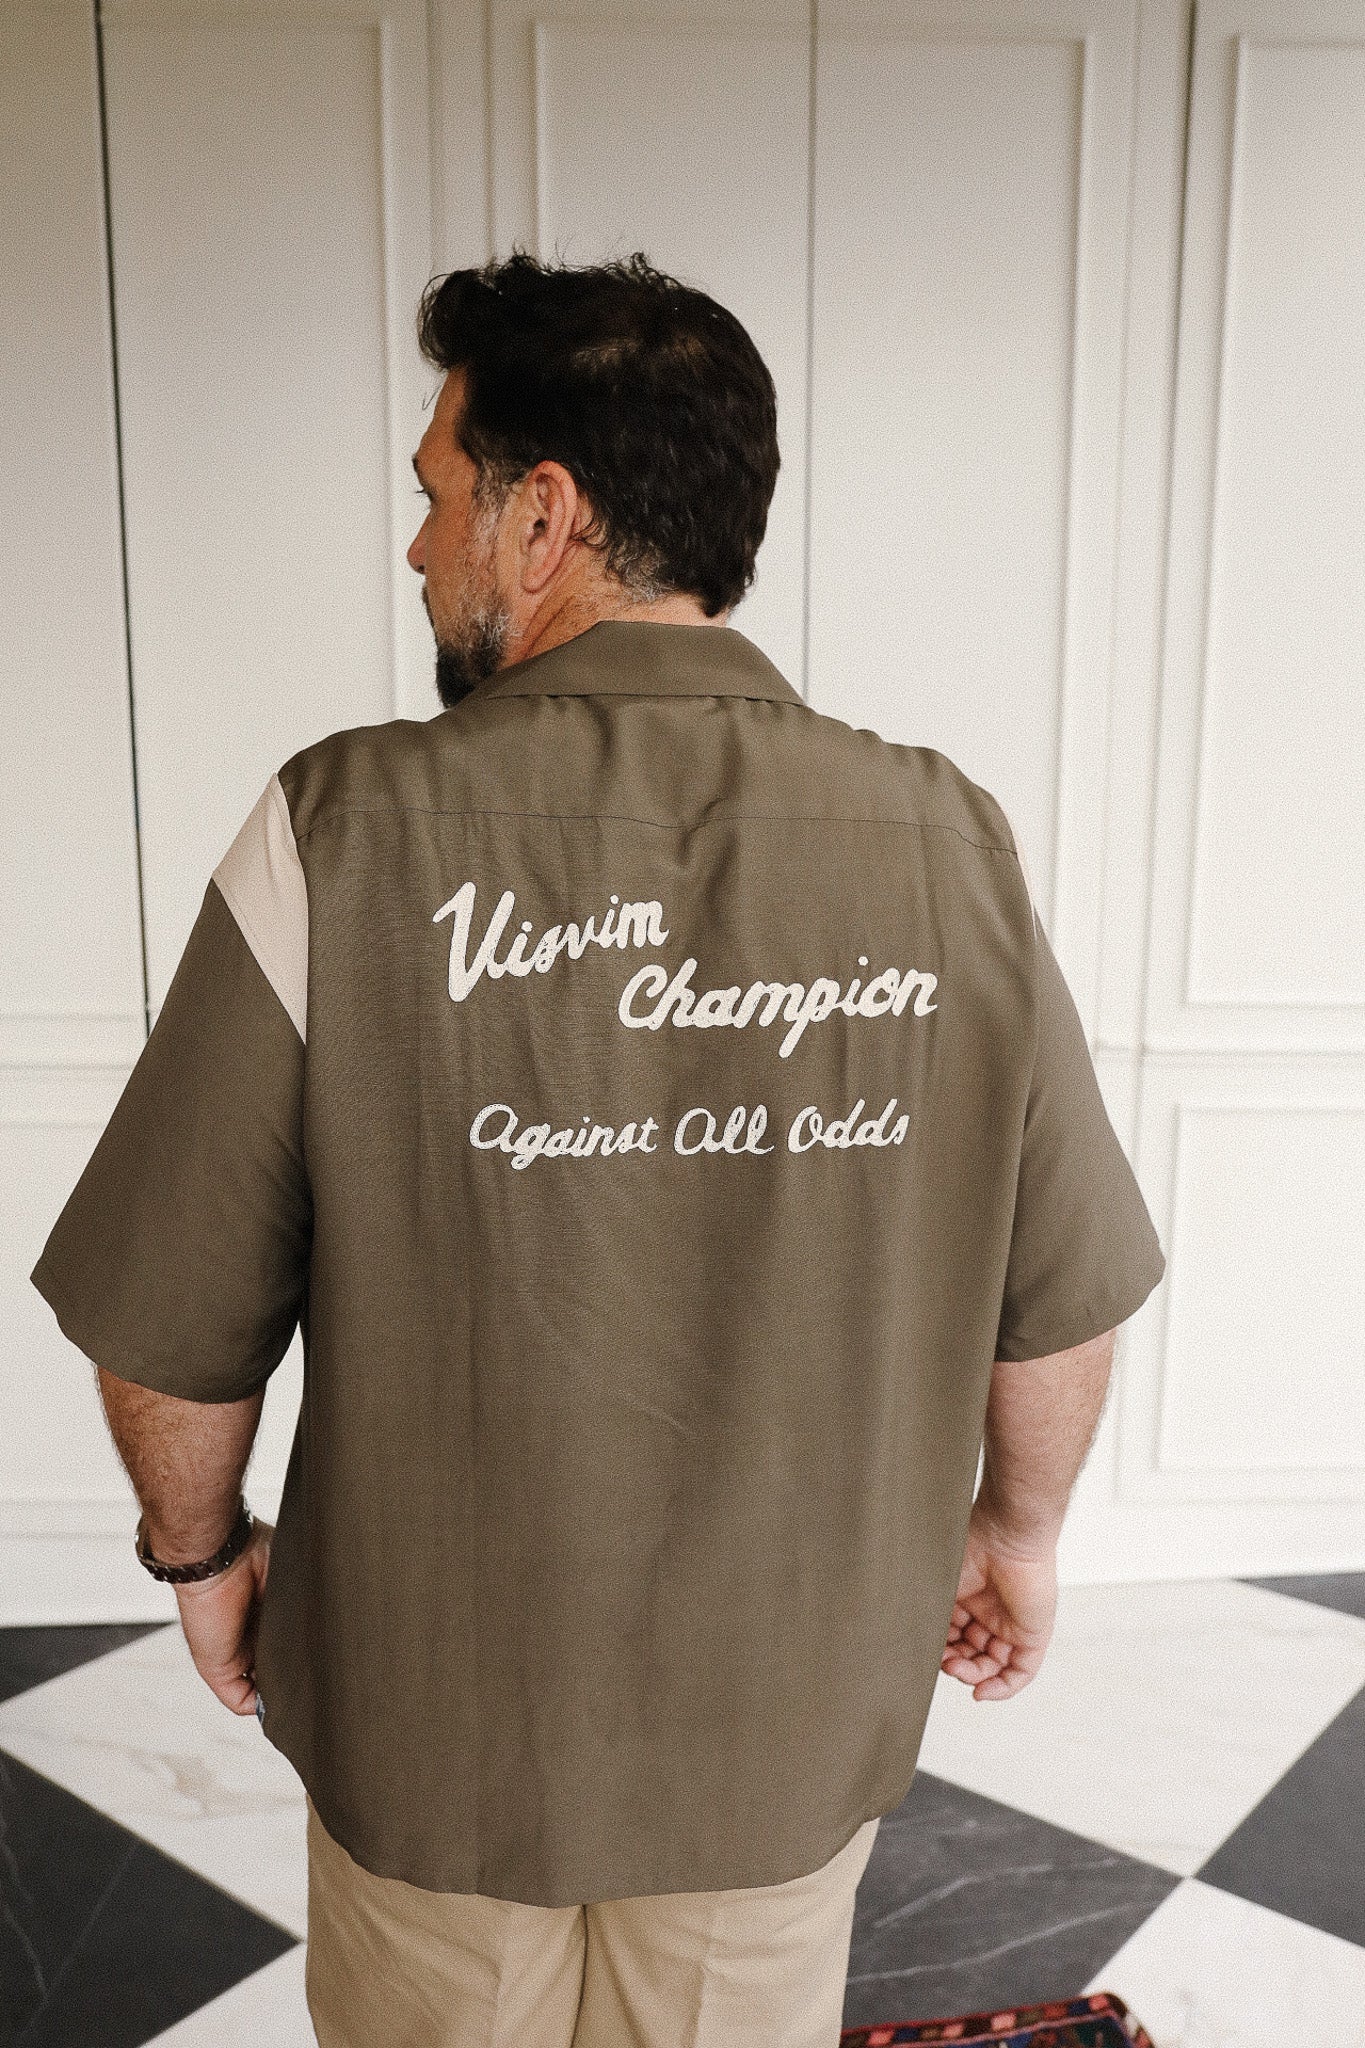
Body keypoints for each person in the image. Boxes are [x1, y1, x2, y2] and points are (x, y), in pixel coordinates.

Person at [31, 249, 1165, 2048]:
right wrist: (1015, 1531)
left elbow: (162, 1324)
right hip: (779, 1736)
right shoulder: (951, 844)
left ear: (542, 515)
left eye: (436, 497)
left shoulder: (338, 831)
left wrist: (203, 1557)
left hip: (439, 1727)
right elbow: (1062, 1303)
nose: (418, 547)